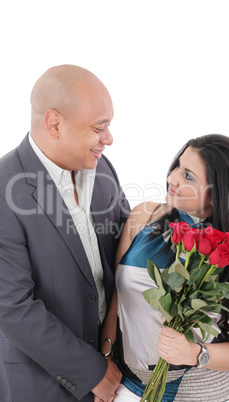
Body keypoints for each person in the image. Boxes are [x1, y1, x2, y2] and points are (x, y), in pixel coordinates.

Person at [0, 65, 130, 402]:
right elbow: (12, 306)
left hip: (118, 374)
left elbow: (125, 251)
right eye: (99, 128)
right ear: (55, 123)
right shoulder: (4, 189)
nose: (109, 139)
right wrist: (92, 372)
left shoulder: (102, 168)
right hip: (42, 385)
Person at [101, 134, 229, 401]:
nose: (172, 178)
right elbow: (116, 299)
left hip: (202, 393)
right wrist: (105, 358)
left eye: (188, 175)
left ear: (217, 195)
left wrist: (194, 353)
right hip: (128, 385)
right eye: (177, 166)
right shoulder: (144, 217)